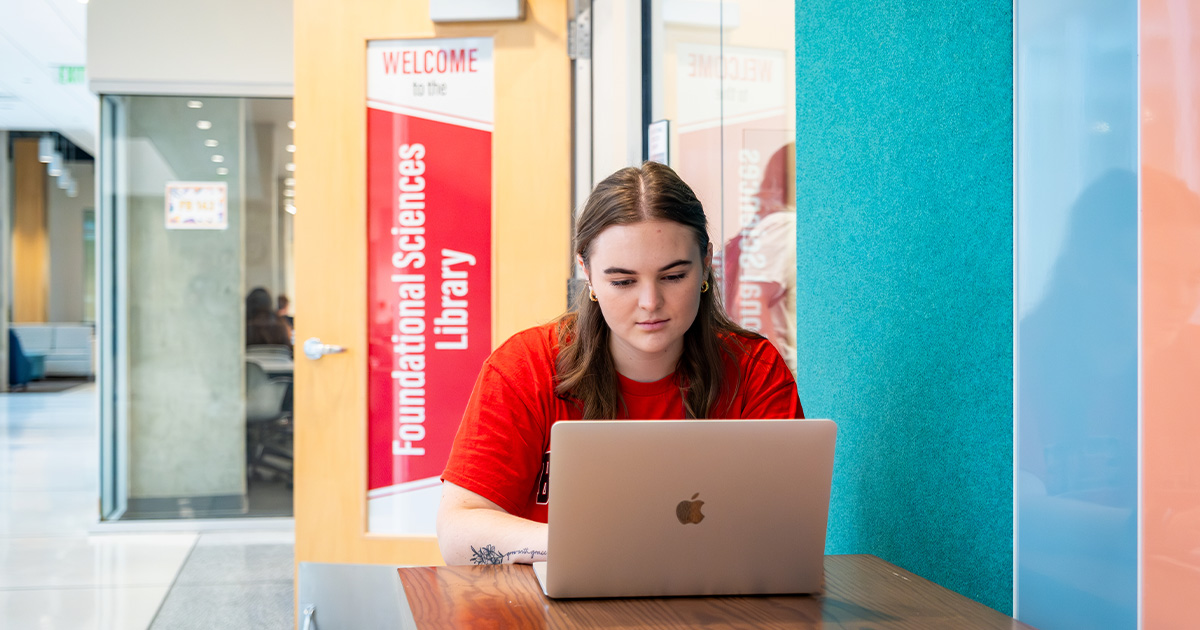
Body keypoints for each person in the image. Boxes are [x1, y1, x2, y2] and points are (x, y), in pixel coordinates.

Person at [436, 162, 803, 566]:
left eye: (673, 276)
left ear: (705, 264)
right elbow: (459, 532)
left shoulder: (755, 369)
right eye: (623, 281)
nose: (650, 303)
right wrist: (605, 548)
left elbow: (783, 531)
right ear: (588, 274)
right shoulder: (526, 366)